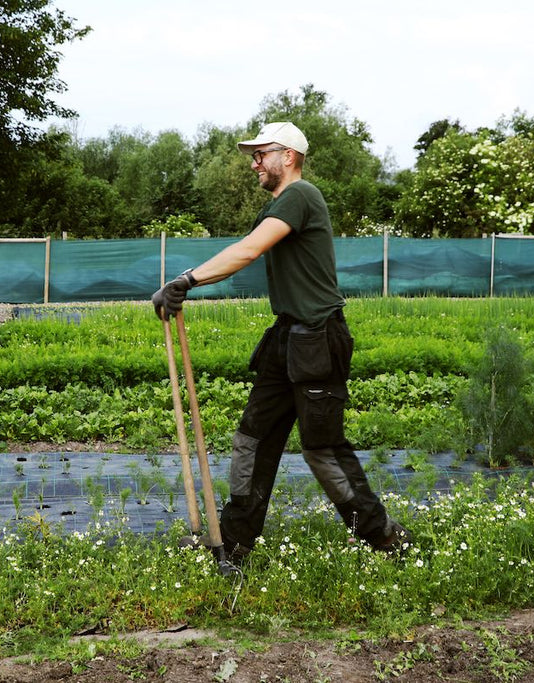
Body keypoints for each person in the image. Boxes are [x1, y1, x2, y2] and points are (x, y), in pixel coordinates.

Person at [151, 121, 411, 564]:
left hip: (319, 337)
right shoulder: (281, 203)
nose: (255, 163)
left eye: (261, 154)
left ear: (287, 156)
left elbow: (249, 250)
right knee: (252, 439)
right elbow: (251, 245)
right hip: (286, 337)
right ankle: (232, 544)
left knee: (322, 450)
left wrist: (186, 279)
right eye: (253, 156)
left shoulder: (301, 195)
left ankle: (385, 538)